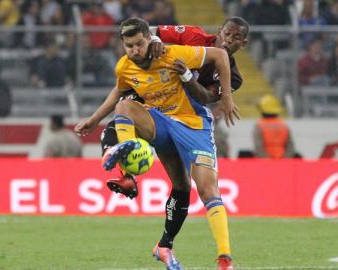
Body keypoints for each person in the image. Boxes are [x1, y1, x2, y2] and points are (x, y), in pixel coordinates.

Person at [74, 18, 239, 270]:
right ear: (123, 45)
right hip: (160, 121)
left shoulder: (175, 53)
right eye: (129, 46)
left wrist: (226, 98)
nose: (135, 50)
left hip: (192, 122)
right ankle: (127, 173)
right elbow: (119, 91)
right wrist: (94, 119)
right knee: (125, 107)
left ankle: (222, 256)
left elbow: (220, 57)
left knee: (201, 188)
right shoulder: (124, 67)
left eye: (139, 44)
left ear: (147, 41)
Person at [102, 17, 249, 192]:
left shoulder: (234, 78)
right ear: (219, 31)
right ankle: (125, 174)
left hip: (185, 113)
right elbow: (152, 29)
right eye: (227, 33)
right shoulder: (193, 35)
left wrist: (190, 78)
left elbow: (206, 98)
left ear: (244, 43)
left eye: (237, 37)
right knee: (120, 114)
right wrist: (155, 40)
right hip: (155, 89)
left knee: (182, 183)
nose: (229, 39)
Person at [253, 94, 296, 159]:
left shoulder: (259, 126)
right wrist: (285, 159)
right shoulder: (284, 126)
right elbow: (290, 146)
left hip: (265, 164)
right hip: (283, 162)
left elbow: (258, 147)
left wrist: (267, 160)